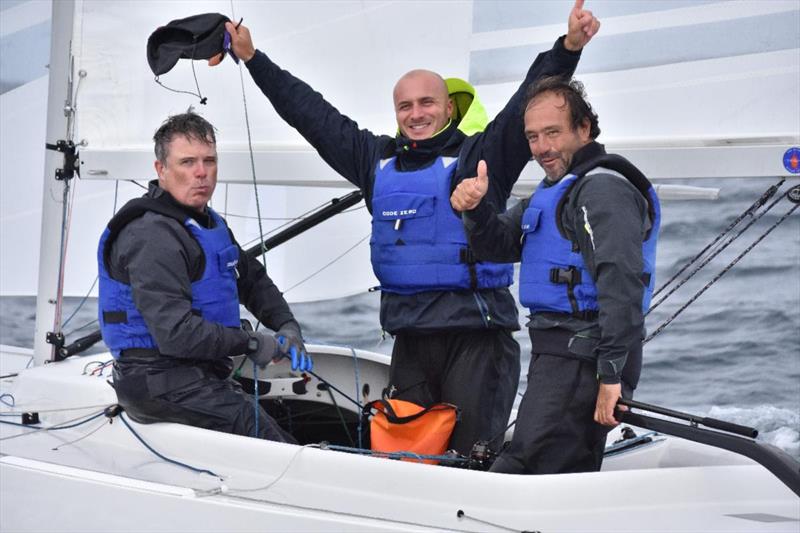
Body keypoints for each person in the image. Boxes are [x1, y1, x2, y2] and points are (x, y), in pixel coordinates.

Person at [221, 2, 600, 457]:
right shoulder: (373, 161)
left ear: (447, 109)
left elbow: (525, 101)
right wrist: (253, 58)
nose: (416, 113)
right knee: (405, 462)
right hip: (412, 343)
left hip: (476, 341)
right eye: (405, 105)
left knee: (468, 461)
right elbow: (311, 115)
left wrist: (568, 48)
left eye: (426, 103)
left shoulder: (480, 157)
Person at [450, 76, 661, 474]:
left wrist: (611, 375)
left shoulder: (601, 190)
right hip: (559, 355)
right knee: (543, 469)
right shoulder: (557, 190)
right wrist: (475, 209)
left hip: (586, 359)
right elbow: (497, 246)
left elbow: (621, 281)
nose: (542, 148)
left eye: (552, 132)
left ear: (584, 129)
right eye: (533, 137)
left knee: (523, 471)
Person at [98, 111, 312, 442]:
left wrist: (287, 326)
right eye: (187, 163)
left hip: (197, 375)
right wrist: (252, 342)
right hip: (156, 381)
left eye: (209, 161)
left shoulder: (206, 223)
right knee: (272, 439)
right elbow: (176, 334)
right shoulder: (151, 235)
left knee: (294, 417)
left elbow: (252, 280)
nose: (201, 173)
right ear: (161, 170)